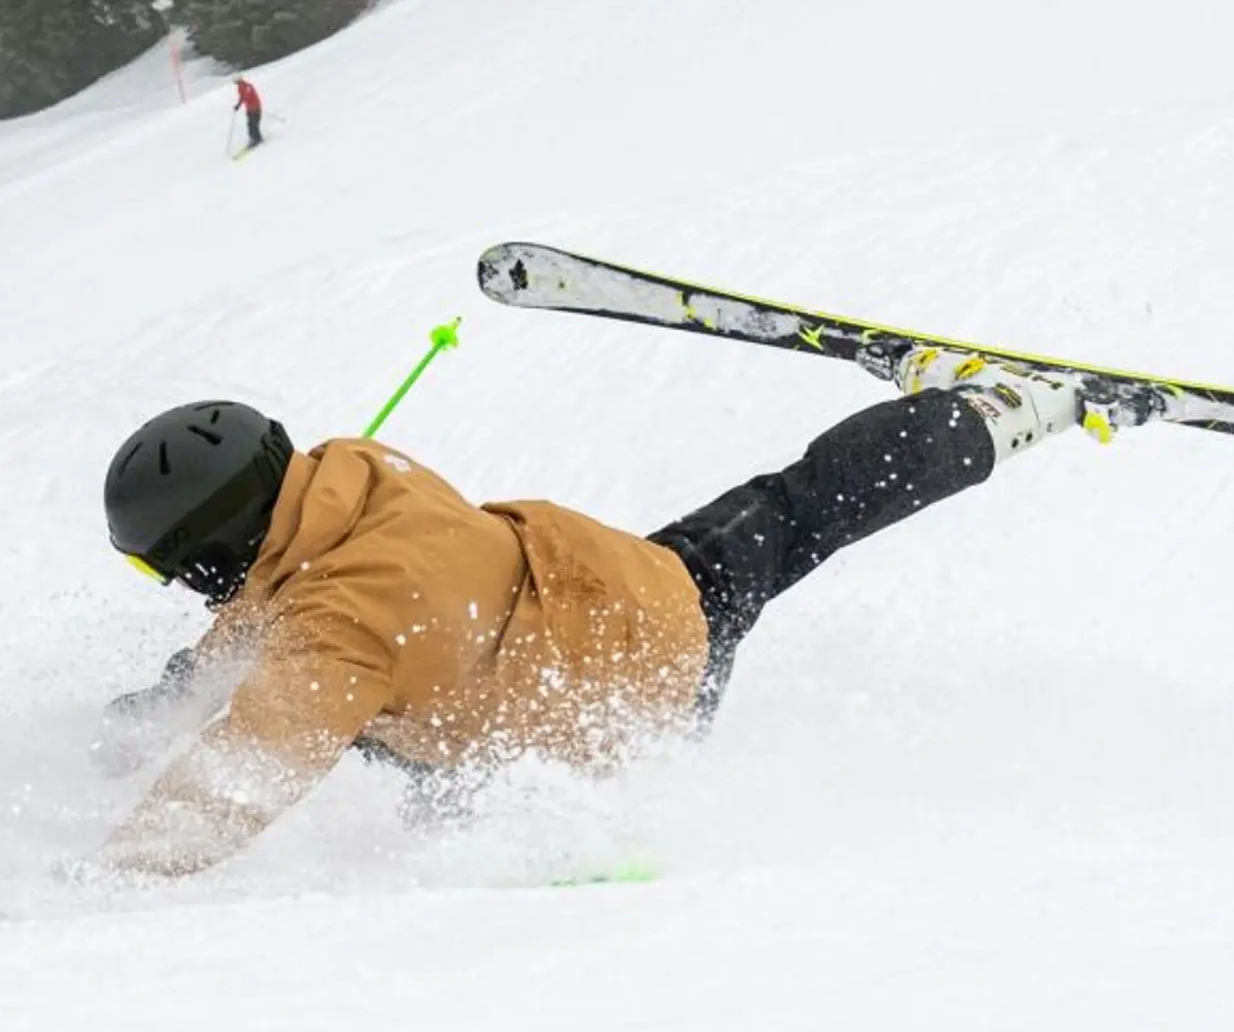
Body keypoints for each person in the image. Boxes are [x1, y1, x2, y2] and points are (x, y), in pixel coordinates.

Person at [94, 351, 1167, 878]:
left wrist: (95, 882)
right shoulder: (343, 473)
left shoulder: (342, 633)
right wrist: (174, 694)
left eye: (173, 573)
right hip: (620, 588)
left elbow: (236, 782)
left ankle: (1022, 406)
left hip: (626, 689)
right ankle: (963, 408)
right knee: (798, 506)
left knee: (422, 768)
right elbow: (274, 606)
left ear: (217, 550)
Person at [232, 77, 264, 151]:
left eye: (236, 81)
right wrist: (238, 105)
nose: (235, 83)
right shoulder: (240, 87)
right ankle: (253, 138)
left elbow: (246, 96)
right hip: (250, 109)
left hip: (255, 108)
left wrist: (240, 103)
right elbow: (242, 97)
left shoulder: (247, 86)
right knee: (250, 124)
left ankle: (257, 139)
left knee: (253, 124)